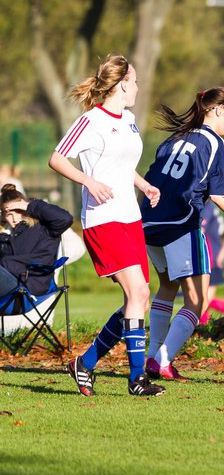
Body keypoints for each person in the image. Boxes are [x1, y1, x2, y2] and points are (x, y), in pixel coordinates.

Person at [49, 53, 165, 396]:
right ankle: (137, 379)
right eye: (135, 81)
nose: (138, 87)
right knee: (139, 293)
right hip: (103, 219)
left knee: (139, 299)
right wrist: (88, 181)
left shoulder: (128, 120)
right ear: (122, 84)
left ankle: (85, 363)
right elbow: (57, 158)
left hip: (130, 217)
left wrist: (143, 185)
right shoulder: (91, 121)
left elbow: (120, 165)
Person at [140, 87, 224, 380]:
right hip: (181, 223)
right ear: (217, 110)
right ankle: (162, 360)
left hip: (150, 222)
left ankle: (153, 356)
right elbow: (221, 196)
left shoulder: (175, 138)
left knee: (167, 288)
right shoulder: (214, 143)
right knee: (197, 302)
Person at [0, 184, 73, 299]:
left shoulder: (43, 227)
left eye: (18, 211)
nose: (15, 219)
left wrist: (30, 205)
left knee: (5, 262)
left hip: (33, 284)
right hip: (10, 286)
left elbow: (65, 219)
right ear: (3, 216)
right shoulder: (5, 236)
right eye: (9, 214)